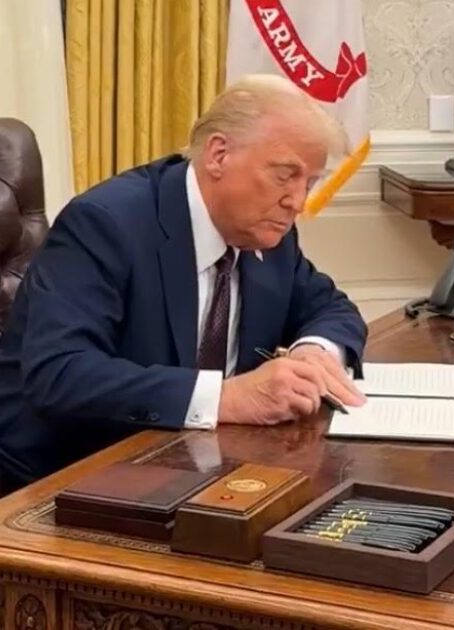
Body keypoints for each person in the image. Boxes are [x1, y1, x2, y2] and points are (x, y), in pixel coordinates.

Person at [0, 74, 367, 492]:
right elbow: (61, 372)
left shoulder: (266, 232)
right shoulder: (108, 223)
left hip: (196, 464)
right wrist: (226, 398)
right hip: (63, 478)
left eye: (310, 183)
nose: (298, 202)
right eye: (285, 176)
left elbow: (331, 307)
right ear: (218, 155)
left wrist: (315, 352)